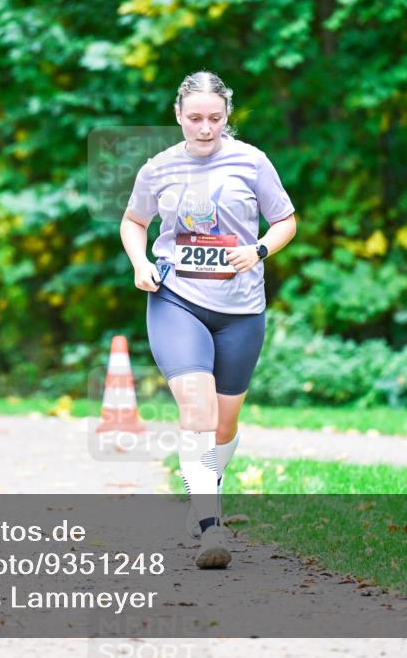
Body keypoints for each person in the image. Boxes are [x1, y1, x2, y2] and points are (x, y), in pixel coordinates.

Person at [120, 71, 297, 568]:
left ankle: (205, 482)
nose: (204, 128)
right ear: (178, 115)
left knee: (223, 424)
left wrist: (258, 249)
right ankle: (209, 526)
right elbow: (134, 222)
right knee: (195, 412)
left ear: (226, 116)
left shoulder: (252, 161)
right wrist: (140, 264)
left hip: (242, 309)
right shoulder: (158, 168)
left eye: (214, 119)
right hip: (177, 300)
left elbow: (285, 220)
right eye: (194, 118)